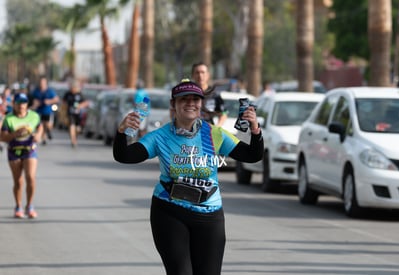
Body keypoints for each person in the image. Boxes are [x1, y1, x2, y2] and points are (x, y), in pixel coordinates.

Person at [113, 79, 263, 275]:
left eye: (195, 99)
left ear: (201, 104)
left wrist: (255, 130)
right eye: (184, 99)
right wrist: (122, 132)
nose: (190, 103)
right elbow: (125, 156)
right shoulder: (160, 136)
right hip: (170, 212)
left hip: (210, 215)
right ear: (173, 105)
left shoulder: (214, 134)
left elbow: (252, 155)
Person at [0, 93, 43, 218]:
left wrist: (39, 135)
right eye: (19, 103)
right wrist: (14, 134)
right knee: (18, 181)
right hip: (14, 150)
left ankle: (29, 205)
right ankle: (18, 206)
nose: (21, 106)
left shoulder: (34, 116)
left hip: (29, 149)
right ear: (14, 104)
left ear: (27, 104)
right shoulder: (8, 118)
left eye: (24, 103)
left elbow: (40, 127)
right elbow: (2, 137)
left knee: (30, 177)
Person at [191, 62, 228, 127]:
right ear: (193, 75)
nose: (200, 75)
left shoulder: (214, 94)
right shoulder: (187, 93)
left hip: (208, 132)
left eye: (203, 72)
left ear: (208, 75)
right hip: (188, 132)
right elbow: (175, 111)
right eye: (197, 72)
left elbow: (223, 113)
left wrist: (217, 127)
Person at [31, 76, 59, 145]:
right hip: (39, 111)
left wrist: (49, 101)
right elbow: (32, 99)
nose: (42, 83)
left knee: (48, 125)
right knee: (41, 125)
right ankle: (44, 139)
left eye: (43, 82)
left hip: (47, 111)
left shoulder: (50, 91)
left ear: (46, 83)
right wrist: (35, 102)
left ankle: (49, 131)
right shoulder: (36, 91)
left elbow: (56, 99)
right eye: (41, 82)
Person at [62, 79, 90, 148]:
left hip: (78, 115)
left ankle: (75, 138)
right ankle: (73, 141)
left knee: (77, 129)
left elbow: (86, 103)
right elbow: (63, 102)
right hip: (70, 113)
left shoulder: (80, 94)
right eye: (71, 87)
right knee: (71, 126)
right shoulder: (68, 94)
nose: (72, 89)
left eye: (74, 87)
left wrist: (80, 106)